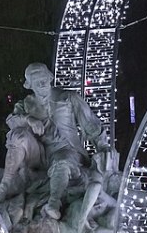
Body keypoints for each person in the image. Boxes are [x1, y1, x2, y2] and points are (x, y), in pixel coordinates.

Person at [10, 63, 113, 221]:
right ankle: (5, 184)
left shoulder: (68, 97)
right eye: (37, 81)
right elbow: (11, 121)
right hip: (41, 154)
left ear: (50, 77)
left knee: (62, 161)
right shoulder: (26, 104)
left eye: (44, 78)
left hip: (68, 150)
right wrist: (28, 119)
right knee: (16, 135)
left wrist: (103, 146)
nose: (42, 83)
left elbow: (90, 124)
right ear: (29, 85)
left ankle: (54, 203)